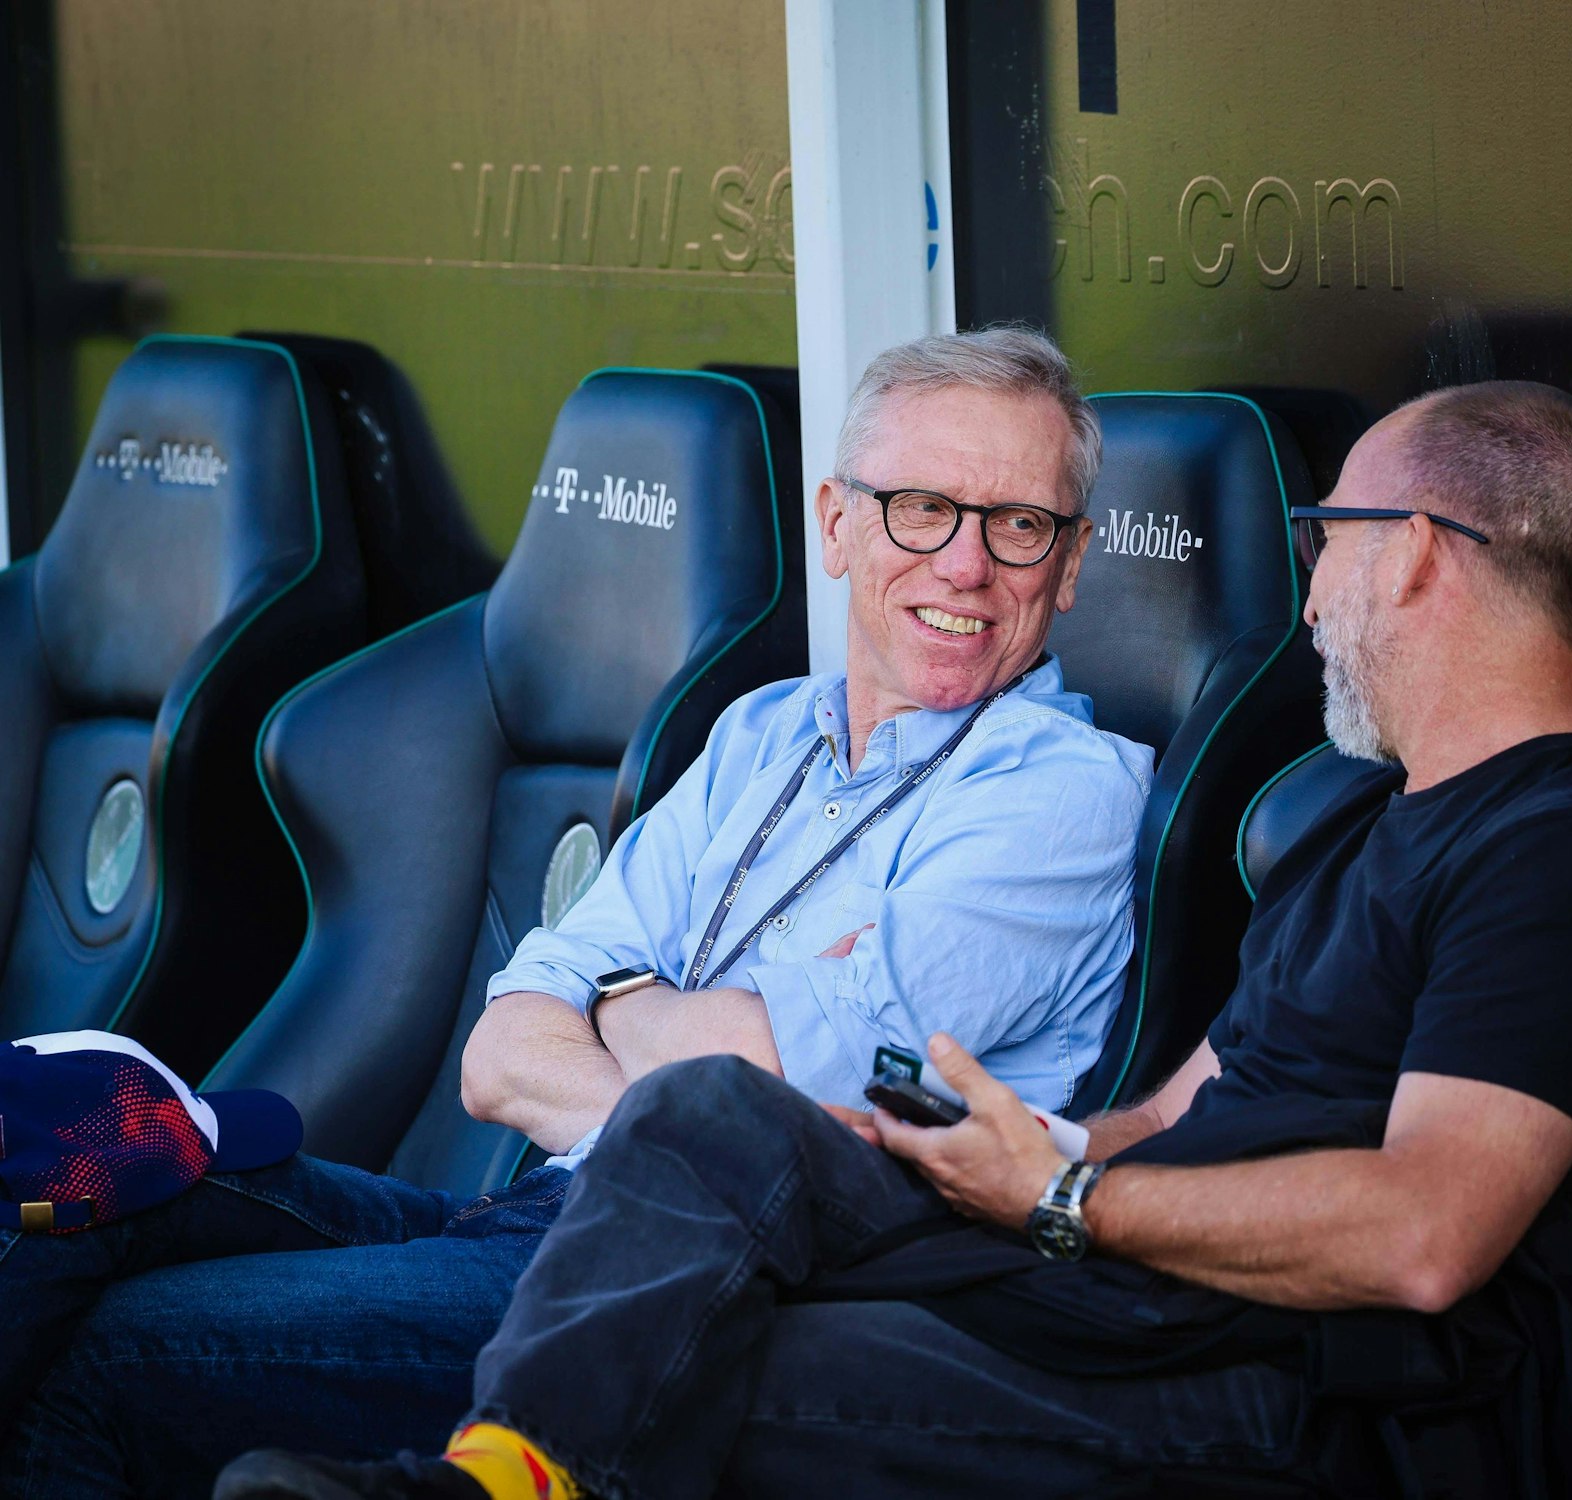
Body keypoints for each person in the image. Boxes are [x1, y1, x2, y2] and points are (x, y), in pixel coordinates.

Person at [218, 377, 1572, 1500]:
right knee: (717, 1109)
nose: (1308, 594)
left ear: (1418, 555)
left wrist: (1054, 1197)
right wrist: (1007, 1152)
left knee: (721, 1367)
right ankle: (496, 1484)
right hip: (1116, 1279)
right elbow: (1182, 1113)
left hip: (1288, 1375)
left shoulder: (1563, 847)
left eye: (1330, 542)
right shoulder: (1363, 828)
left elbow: (1431, 1236)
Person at [0, 328, 1152, 1498]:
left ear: (1066, 566)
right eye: (920, 508)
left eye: (1017, 525)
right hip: (529, 1218)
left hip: (698, 1300)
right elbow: (505, 1052)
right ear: (838, 523)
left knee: (111, 1353)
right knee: (64, 1181)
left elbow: (769, 1086)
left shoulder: (1061, 790)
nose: (964, 564)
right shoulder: (762, 735)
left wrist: (624, 1007)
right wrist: (673, 1091)